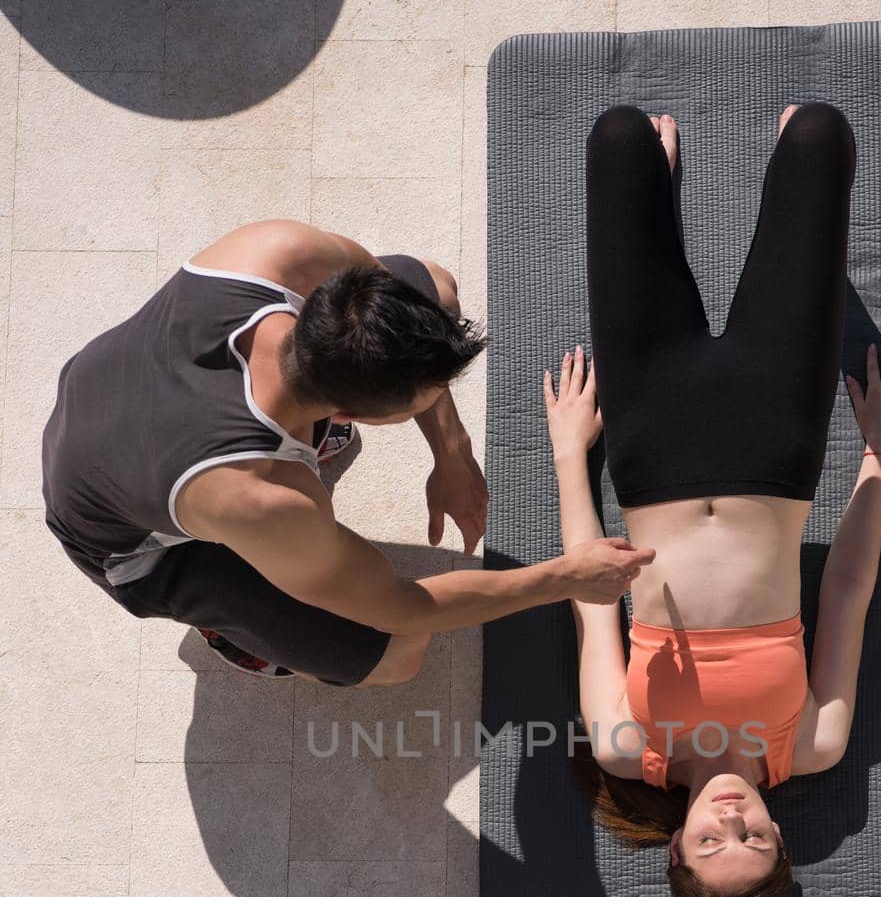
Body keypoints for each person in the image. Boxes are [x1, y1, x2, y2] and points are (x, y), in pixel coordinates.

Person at [544, 101, 881, 897]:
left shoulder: (622, 746)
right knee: (819, 134)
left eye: (712, 841)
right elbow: (849, 592)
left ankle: (658, 181)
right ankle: (769, 195)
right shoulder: (811, 745)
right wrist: (880, 456)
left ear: (676, 849)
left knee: (616, 137)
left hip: (650, 443)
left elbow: (591, 597)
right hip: (774, 438)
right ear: (781, 840)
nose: (731, 819)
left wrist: (573, 452)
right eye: (752, 839)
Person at [42, 222, 653, 683]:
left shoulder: (272, 253)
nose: (440, 399)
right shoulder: (265, 496)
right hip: (124, 540)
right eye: (428, 398)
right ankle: (233, 627)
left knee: (433, 289)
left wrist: (453, 450)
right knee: (396, 657)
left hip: (111, 401)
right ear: (348, 412)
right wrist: (561, 578)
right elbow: (404, 605)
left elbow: (413, 299)